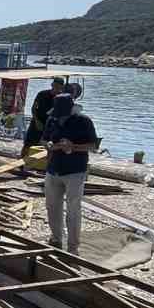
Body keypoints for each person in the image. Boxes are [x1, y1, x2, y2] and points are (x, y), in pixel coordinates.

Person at [42, 94, 100, 254]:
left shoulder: (83, 121)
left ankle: (73, 246)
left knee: (73, 208)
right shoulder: (52, 120)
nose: (60, 118)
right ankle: (56, 238)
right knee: (52, 206)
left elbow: (93, 145)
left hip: (75, 170)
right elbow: (44, 140)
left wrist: (72, 147)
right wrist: (50, 145)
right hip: (53, 169)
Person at [24, 76, 67, 151]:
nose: (56, 88)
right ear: (52, 84)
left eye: (58, 86)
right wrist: (37, 121)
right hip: (37, 122)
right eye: (55, 85)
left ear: (62, 87)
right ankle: (22, 158)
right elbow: (33, 108)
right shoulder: (42, 94)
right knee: (28, 144)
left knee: (45, 147)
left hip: (50, 126)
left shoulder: (62, 98)